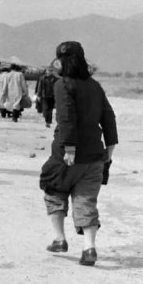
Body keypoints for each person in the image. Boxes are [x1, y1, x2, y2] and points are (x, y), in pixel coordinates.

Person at [39, 41, 118, 266]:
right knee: (86, 200)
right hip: (95, 154)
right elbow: (109, 117)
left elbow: (66, 117)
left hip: (67, 153)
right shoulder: (94, 86)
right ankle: (89, 248)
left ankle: (59, 239)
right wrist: (109, 149)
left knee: (53, 187)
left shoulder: (62, 85)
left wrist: (70, 149)